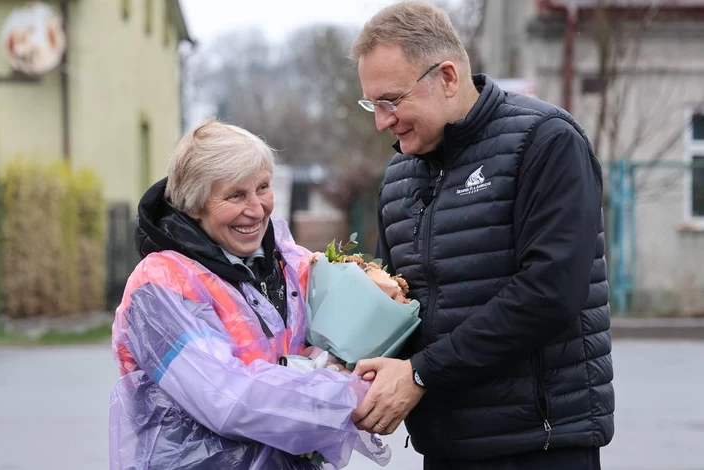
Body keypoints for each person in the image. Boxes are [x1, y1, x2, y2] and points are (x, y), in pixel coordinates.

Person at [347, 2, 614, 469]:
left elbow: (550, 292)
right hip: (446, 447)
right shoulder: (398, 177)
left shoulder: (546, 140)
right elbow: (391, 301)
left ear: (447, 78)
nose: (382, 121)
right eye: (373, 104)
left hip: (538, 447)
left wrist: (421, 374)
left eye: (391, 101)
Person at [109, 120, 388, 469]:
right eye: (236, 195)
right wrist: (353, 394)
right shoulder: (159, 287)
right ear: (194, 204)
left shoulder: (288, 262)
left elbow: (328, 345)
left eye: (263, 187)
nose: (257, 209)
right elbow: (226, 398)